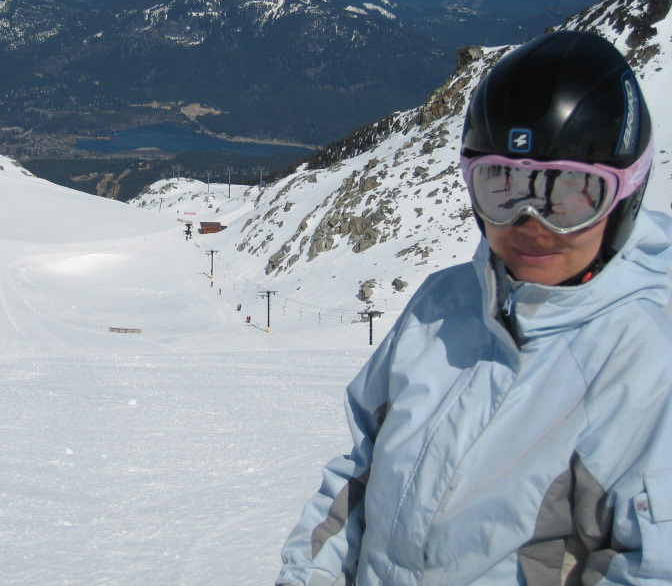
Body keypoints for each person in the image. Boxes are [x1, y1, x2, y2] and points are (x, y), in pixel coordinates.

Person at [276, 31, 672, 585]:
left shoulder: (648, 360)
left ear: (627, 193)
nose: (531, 222)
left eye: (572, 192)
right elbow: (359, 476)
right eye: (501, 185)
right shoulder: (442, 305)